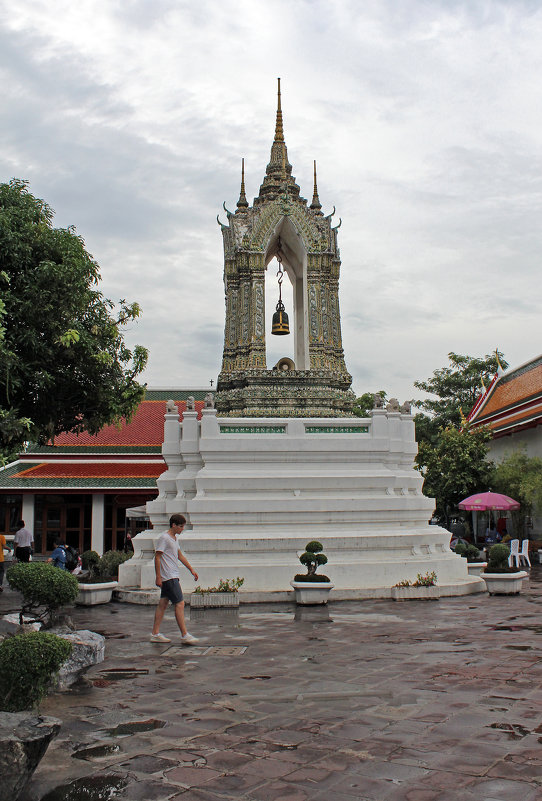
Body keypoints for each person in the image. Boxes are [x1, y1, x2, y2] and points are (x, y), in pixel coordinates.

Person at [150, 513, 199, 645]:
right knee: (180, 603)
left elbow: (179, 556)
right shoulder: (164, 538)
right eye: (181, 526)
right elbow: (158, 557)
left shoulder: (174, 539)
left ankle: (155, 633)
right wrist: (158, 576)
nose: (182, 529)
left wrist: (191, 569)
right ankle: (184, 634)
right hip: (169, 576)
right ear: (174, 525)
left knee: (163, 603)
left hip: (172, 575)